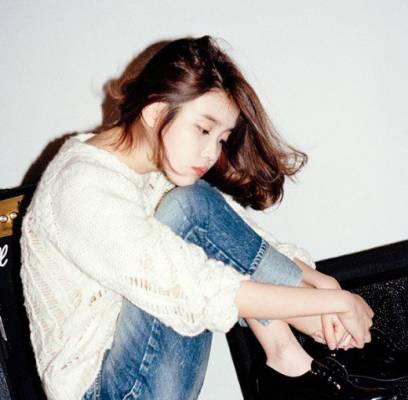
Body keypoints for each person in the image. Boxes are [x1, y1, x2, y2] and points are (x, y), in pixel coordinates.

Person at [20, 36, 392, 400]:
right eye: (203, 129)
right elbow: (200, 292)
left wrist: (321, 284)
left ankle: (291, 360)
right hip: (109, 392)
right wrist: (335, 304)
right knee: (189, 211)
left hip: (136, 375)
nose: (211, 153)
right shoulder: (81, 187)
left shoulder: (152, 169)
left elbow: (246, 246)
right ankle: (319, 350)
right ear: (155, 112)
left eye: (221, 138)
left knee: (193, 206)